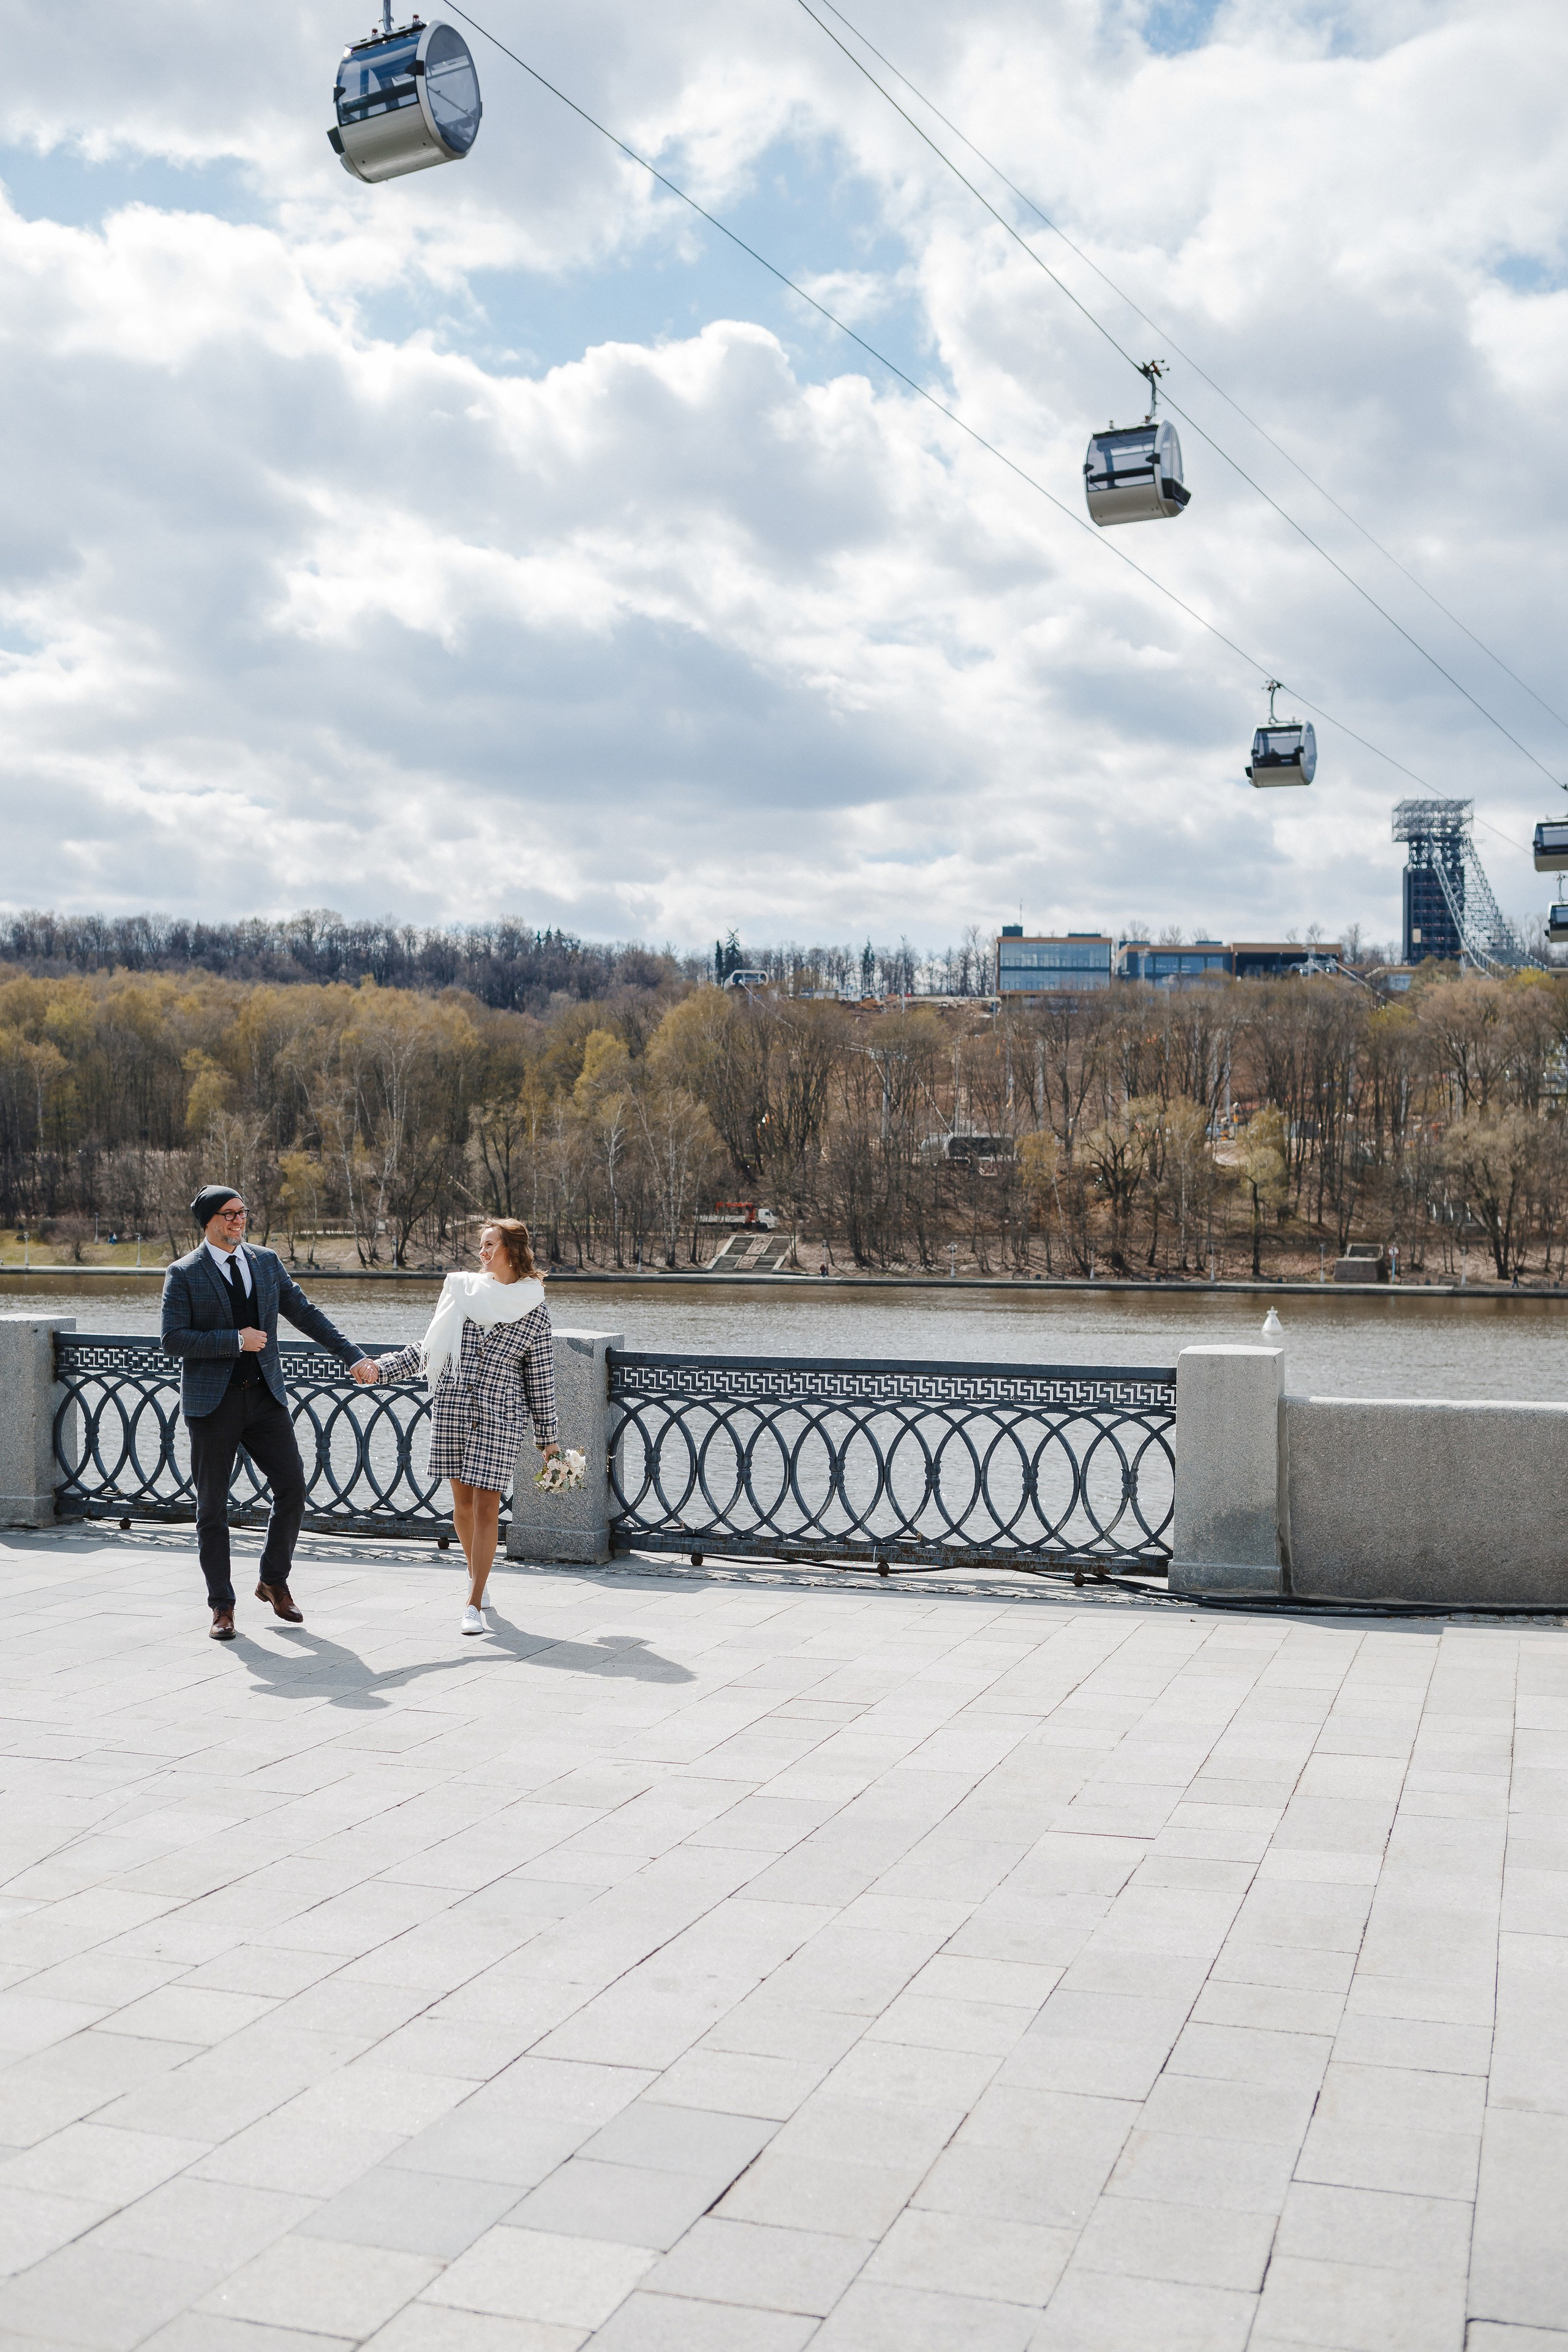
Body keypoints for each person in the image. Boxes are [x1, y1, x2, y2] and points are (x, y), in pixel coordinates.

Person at [161, 1186, 379, 1641]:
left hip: (264, 1400)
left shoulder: (265, 1262)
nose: (240, 1221)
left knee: (293, 1488)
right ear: (208, 1221)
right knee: (211, 1508)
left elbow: (306, 1313)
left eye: (244, 1213)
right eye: (230, 1214)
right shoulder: (183, 1274)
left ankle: (273, 1580)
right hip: (212, 1406)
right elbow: (174, 1340)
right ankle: (222, 1606)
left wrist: (352, 1356)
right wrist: (235, 1340)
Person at [368, 1218, 559, 1634]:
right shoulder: (461, 1292)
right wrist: (379, 1370)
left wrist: (549, 1439)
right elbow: (428, 1349)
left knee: (488, 1507)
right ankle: (478, 1574)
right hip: (453, 1408)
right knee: (464, 1507)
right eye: (481, 1245)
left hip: (499, 1416)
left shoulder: (534, 1311)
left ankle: (472, 1603)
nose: (482, 1253)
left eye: (490, 1245)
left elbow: (540, 1379)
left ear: (511, 1250)